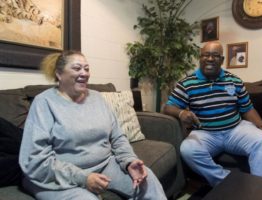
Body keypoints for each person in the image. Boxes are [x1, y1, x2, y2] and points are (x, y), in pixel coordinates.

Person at [19, 51, 167, 200]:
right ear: (59, 74)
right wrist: (83, 178)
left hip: (105, 165)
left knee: (148, 181)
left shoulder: (97, 98)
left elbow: (117, 137)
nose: (84, 73)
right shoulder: (44, 103)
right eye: (77, 68)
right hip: (58, 176)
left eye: (87, 68)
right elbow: (35, 159)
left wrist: (129, 161)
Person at [163, 41, 262, 187]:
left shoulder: (234, 80)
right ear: (200, 58)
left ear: (222, 60)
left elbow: (247, 108)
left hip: (235, 130)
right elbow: (168, 107)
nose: (210, 59)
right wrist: (181, 112)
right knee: (188, 149)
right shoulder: (187, 83)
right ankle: (228, 183)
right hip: (205, 134)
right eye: (206, 55)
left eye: (215, 55)